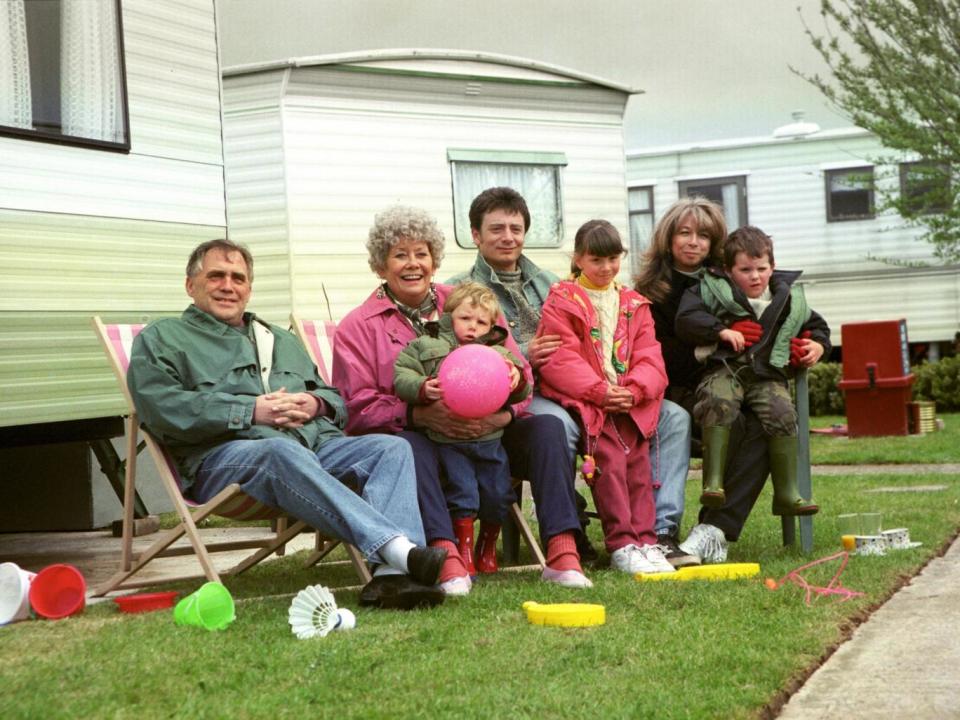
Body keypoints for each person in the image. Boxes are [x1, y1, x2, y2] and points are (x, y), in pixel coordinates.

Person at [126, 239, 447, 610]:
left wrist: (314, 403)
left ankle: (392, 580)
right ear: (190, 285)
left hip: (312, 448)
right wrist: (250, 411)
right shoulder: (163, 338)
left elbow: (335, 399)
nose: (228, 286)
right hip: (224, 459)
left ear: (248, 288)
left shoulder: (278, 339)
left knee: (390, 447)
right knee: (279, 450)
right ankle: (399, 549)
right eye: (216, 276)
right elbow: (160, 408)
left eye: (238, 278)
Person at [333, 205, 592, 595]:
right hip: (423, 438)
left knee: (548, 427)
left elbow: (521, 371)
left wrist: (505, 413)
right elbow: (355, 407)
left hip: (490, 433)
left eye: (421, 254)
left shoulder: (471, 302)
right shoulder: (358, 326)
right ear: (379, 265)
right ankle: (445, 552)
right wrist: (421, 414)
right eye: (399, 255)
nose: (412, 264)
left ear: (434, 259)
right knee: (406, 447)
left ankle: (562, 550)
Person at [447, 187, 696, 567]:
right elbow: (462, 360)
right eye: (496, 229)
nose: (508, 236)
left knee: (674, 417)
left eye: (516, 227)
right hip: (533, 393)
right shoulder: (462, 289)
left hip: (594, 386)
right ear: (476, 235)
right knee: (557, 425)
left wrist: (619, 386)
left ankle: (661, 533)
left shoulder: (551, 282)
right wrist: (520, 358)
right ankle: (571, 529)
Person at [635, 198, 769, 563]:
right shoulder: (649, 292)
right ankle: (678, 529)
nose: (694, 242)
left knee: (764, 424)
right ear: (668, 238)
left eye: (704, 236)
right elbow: (655, 357)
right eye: (685, 233)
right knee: (729, 421)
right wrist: (714, 341)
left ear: (715, 244)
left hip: (726, 388)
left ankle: (713, 529)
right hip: (675, 393)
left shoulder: (729, 282)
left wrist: (811, 343)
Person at [537, 220, 674, 575]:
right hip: (591, 403)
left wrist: (635, 390)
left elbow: (650, 356)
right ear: (578, 258)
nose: (606, 268)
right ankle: (621, 542)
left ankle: (645, 540)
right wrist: (599, 391)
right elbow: (559, 357)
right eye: (597, 259)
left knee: (639, 470)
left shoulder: (633, 303)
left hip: (629, 403)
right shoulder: (562, 300)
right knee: (609, 467)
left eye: (613, 259)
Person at [676, 225, 830, 515]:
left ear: (773, 267)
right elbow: (686, 319)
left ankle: (787, 493)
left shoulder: (789, 298)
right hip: (724, 368)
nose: (755, 276)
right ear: (729, 270)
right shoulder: (710, 289)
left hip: (766, 374)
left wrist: (818, 346)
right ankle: (713, 482)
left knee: (783, 413)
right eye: (745, 270)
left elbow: (817, 326)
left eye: (761, 268)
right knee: (717, 401)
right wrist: (719, 330)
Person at [393, 281, 530, 575]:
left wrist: (516, 379)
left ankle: (487, 545)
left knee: (498, 493)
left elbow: (518, 388)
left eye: (481, 322)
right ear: (449, 315)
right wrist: (420, 387)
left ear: (491, 326)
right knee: (463, 493)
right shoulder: (426, 345)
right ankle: (464, 547)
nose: (472, 327)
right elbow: (401, 374)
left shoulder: (498, 354)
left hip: (490, 439)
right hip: (449, 441)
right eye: (465, 318)